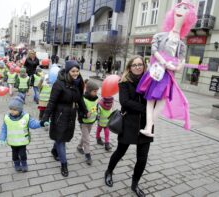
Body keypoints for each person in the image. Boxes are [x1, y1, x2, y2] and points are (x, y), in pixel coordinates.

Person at [136, 0, 197, 136]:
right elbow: (154, 50)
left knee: (161, 101)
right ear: (173, 12)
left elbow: (181, 62)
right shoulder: (159, 36)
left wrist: (176, 67)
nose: (181, 10)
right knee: (150, 100)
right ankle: (148, 127)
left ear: (190, 16)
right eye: (179, 6)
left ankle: (149, 127)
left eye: (185, 8)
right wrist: (164, 62)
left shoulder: (182, 45)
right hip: (156, 71)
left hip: (168, 75)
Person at [104, 56, 152, 197]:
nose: (138, 67)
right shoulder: (124, 81)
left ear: (144, 66)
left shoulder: (150, 81)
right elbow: (125, 102)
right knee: (120, 151)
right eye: (135, 65)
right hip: (129, 122)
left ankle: (135, 184)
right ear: (129, 67)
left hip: (145, 124)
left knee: (142, 158)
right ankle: (109, 171)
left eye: (140, 64)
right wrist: (145, 108)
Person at [41, 60, 88, 177]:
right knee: (61, 140)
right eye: (73, 71)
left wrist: (85, 111)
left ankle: (54, 150)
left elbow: (80, 99)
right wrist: (45, 117)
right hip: (60, 115)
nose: (76, 73)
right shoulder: (59, 84)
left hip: (71, 115)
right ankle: (64, 164)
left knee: (62, 136)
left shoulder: (77, 83)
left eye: (77, 71)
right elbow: (52, 102)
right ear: (67, 71)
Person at [0, 94, 49, 172]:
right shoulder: (7, 118)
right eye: (11, 109)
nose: (12, 111)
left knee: (23, 154)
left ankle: (24, 164)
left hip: (22, 141)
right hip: (13, 142)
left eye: (15, 109)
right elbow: (4, 129)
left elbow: (33, 124)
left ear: (20, 109)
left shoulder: (26, 117)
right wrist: (2, 138)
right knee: (14, 155)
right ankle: (17, 164)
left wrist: (41, 123)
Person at [77, 80, 99, 165]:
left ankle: (79, 147)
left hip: (91, 121)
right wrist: (85, 115)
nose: (96, 93)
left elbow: (95, 108)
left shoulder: (96, 98)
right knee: (87, 139)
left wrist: (96, 115)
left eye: (97, 91)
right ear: (89, 90)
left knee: (85, 136)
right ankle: (87, 155)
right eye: (94, 91)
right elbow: (79, 112)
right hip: (84, 122)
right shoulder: (83, 99)